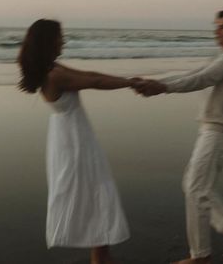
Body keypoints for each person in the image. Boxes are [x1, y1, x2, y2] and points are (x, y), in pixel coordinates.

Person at [18, 19, 140, 264]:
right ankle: (102, 257)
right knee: (93, 193)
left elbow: (89, 75)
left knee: (93, 195)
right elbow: (94, 81)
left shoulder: (51, 69)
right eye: (59, 36)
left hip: (68, 137)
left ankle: (102, 256)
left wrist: (129, 80)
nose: (63, 40)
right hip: (74, 141)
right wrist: (130, 83)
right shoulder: (55, 75)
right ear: (48, 41)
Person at [133, 10, 223, 264]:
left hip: (218, 134)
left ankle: (200, 257)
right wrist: (157, 82)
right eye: (217, 26)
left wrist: (162, 87)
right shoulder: (221, 57)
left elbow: (201, 79)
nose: (217, 31)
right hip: (211, 130)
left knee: (196, 188)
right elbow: (190, 74)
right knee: (194, 185)